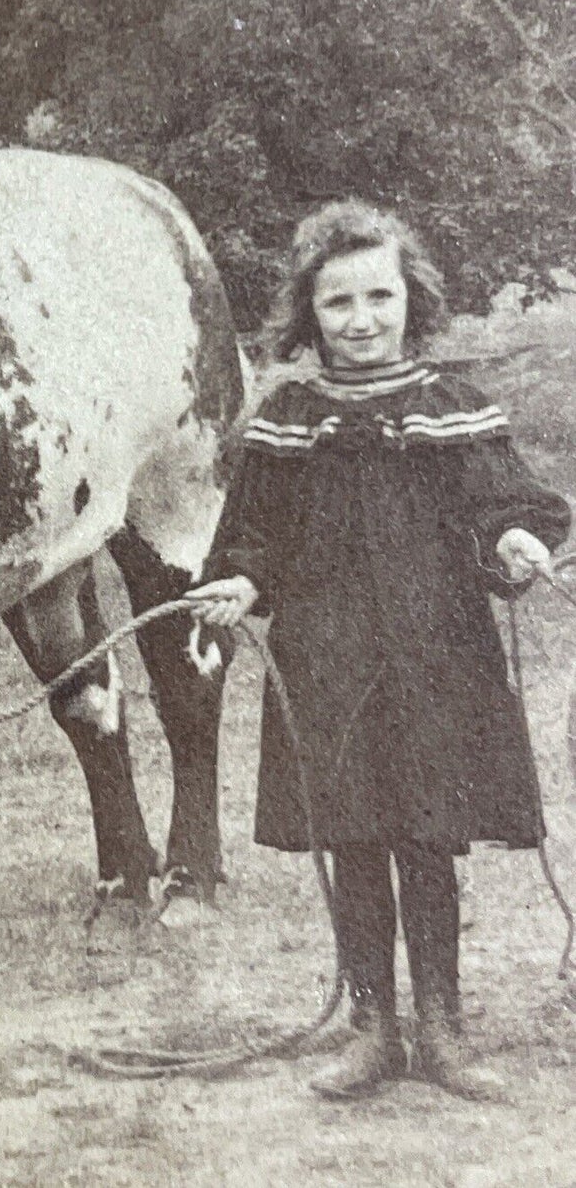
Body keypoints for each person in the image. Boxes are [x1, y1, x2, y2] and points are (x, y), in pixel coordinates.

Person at [188, 201, 569, 1103]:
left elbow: (502, 503)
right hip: (330, 663)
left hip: (438, 661)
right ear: (307, 314)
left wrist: (513, 538)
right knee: (355, 836)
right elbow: (253, 540)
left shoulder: (454, 408)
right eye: (338, 303)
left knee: (429, 835)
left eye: (379, 296)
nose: (361, 320)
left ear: (411, 298)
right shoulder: (286, 419)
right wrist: (241, 584)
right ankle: (372, 1027)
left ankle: (441, 1028)